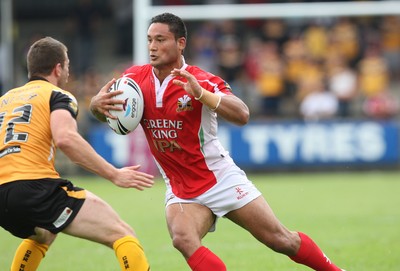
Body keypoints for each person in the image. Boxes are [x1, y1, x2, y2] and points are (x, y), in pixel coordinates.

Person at [90, 13, 346, 271]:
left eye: (160, 39)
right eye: (149, 40)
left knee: (281, 240)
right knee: (183, 238)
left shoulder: (199, 78)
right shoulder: (133, 79)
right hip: (181, 188)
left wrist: (202, 94)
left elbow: (242, 114)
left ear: (181, 43)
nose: (153, 47)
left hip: (219, 177)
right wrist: (96, 107)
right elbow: (113, 116)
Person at [0, 37, 154, 271]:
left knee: (44, 234)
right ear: (58, 68)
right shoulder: (57, 95)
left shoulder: (5, 100)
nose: (68, 73)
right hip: (33, 187)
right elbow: (66, 139)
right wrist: (114, 174)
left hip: (3, 196)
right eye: (68, 66)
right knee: (123, 234)